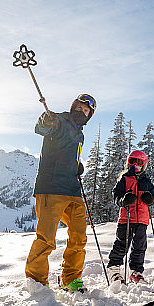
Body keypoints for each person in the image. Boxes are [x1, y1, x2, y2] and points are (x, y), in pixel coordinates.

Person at [25, 93, 97, 292]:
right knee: (46, 238)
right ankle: (36, 282)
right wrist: (47, 119)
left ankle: (71, 278)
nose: (82, 112)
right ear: (73, 106)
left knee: (79, 237)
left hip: (72, 189)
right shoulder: (59, 121)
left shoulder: (79, 133)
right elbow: (43, 126)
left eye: (86, 111)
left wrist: (76, 165)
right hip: (51, 187)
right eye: (80, 108)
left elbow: (65, 151)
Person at [106, 150, 154, 284]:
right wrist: (123, 200)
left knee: (139, 247)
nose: (135, 165)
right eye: (132, 162)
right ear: (128, 163)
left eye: (139, 162)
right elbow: (116, 196)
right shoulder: (124, 179)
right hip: (126, 219)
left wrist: (150, 199)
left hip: (142, 220)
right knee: (121, 244)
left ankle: (136, 272)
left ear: (144, 165)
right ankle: (114, 270)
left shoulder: (147, 182)